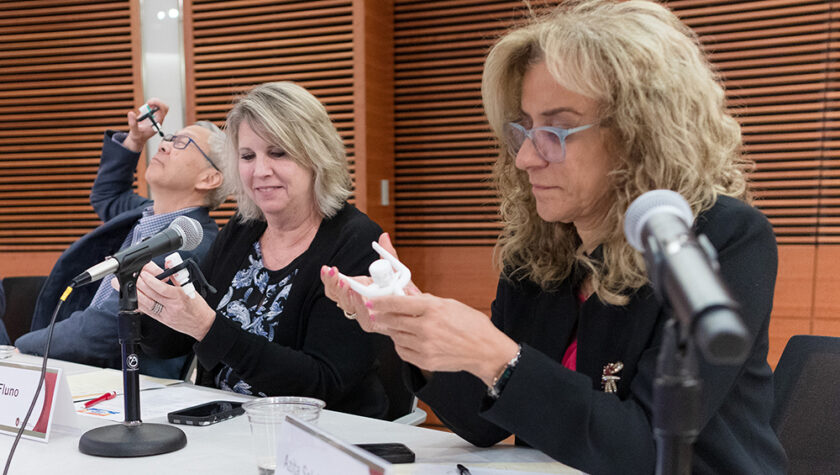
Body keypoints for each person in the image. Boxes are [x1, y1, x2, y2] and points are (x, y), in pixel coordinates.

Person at [322, 1, 787, 473]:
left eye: (558, 129)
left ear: (642, 134)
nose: (525, 157)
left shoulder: (721, 239)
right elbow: (477, 423)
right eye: (525, 128)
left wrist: (500, 358)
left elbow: (644, 449)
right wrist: (413, 325)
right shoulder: (539, 249)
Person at [134, 82, 389, 418]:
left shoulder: (355, 241)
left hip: (320, 437)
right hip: (229, 429)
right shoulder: (243, 229)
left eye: (278, 153)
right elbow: (172, 343)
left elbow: (323, 383)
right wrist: (149, 306)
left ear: (317, 155)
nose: (260, 171)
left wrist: (207, 328)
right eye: (248, 156)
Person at [12, 99, 227, 379]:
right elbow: (107, 195)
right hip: (82, 363)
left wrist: (23, 346)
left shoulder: (190, 242)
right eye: (169, 137)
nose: (163, 145)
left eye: (182, 143)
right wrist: (135, 140)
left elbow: (108, 326)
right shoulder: (147, 212)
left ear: (210, 178)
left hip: (122, 379)